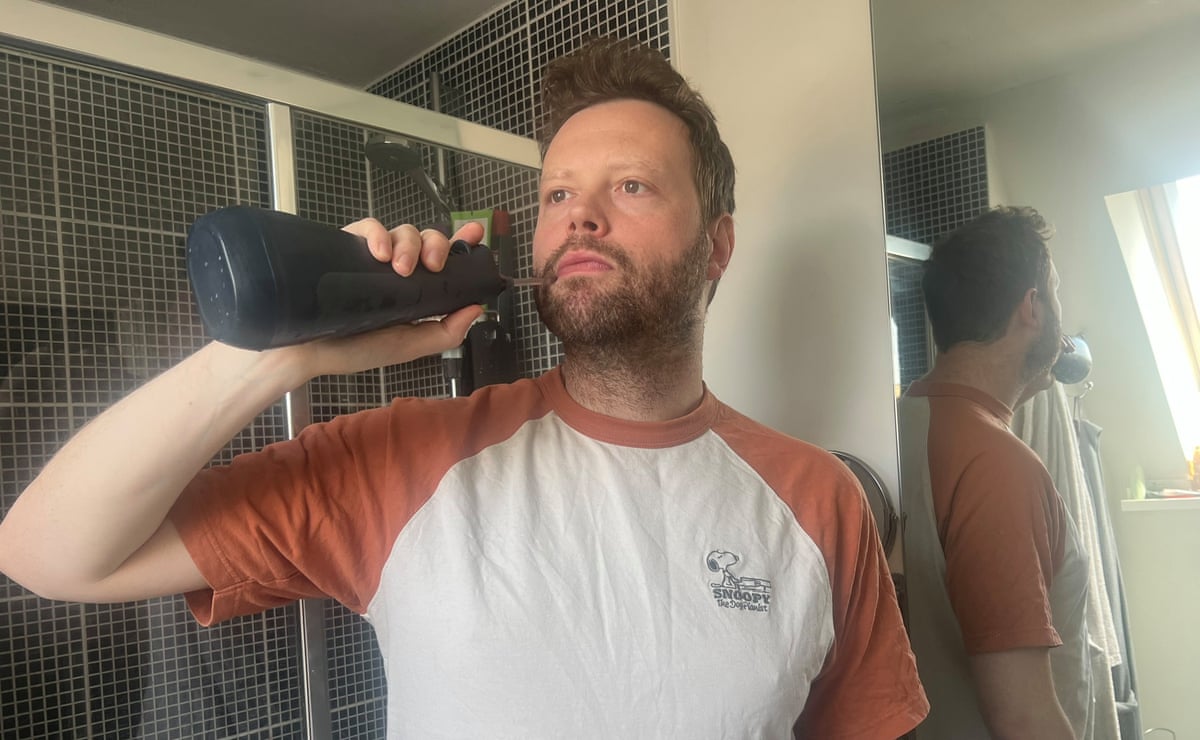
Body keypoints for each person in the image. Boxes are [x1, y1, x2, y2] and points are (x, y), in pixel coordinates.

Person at [0, 38, 927, 738]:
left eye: (633, 186)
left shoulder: (820, 503)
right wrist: (279, 356)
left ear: (716, 246)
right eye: (558, 195)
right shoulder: (409, 460)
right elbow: (47, 552)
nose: (581, 218)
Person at [897, 206, 1094, 739]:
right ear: (1032, 308)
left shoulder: (897, 428)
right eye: (1053, 293)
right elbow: (1024, 718)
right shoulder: (997, 466)